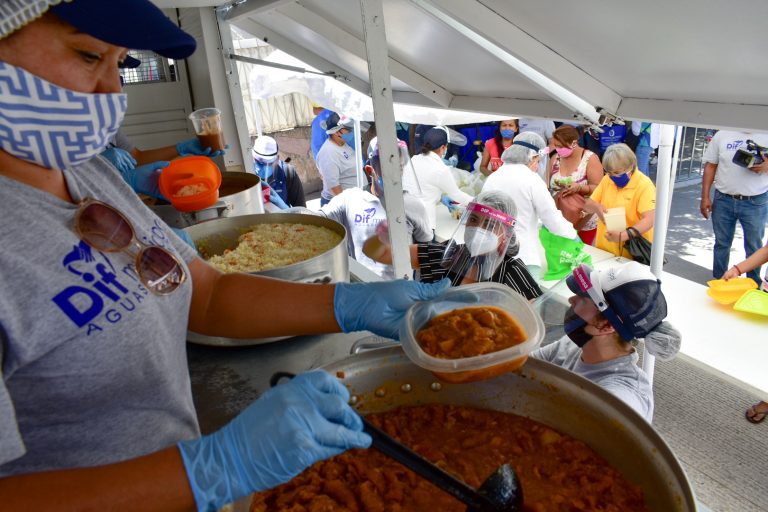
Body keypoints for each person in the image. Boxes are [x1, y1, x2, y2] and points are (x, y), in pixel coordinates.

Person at [0, 3, 450, 510]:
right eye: (88, 55)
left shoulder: (87, 174)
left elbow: (205, 293)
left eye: (120, 64)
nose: (112, 93)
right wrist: (213, 469)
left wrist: (348, 304)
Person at [532, 262, 681, 422]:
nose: (571, 299)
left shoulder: (625, 396)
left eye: (582, 299)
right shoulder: (570, 346)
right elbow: (521, 365)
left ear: (606, 325)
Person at [363, 189, 543, 300]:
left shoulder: (511, 272)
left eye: (489, 224)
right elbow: (379, 254)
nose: (478, 229)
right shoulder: (445, 255)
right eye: (473, 219)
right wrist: (382, 236)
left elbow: (535, 320)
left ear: (506, 235)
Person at [319, 139, 432, 278]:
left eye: (399, 167)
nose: (394, 174)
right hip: (362, 288)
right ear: (369, 170)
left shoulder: (413, 205)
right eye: (386, 167)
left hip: (400, 292)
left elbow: (425, 256)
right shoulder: (350, 200)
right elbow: (314, 221)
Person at [481, 132, 576, 268]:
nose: (537, 166)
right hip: (522, 257)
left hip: (491, 253)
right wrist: (572, 235)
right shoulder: (532, 180)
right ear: (532, 156)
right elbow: (552, 220)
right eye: (537, 161)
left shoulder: (493, 177)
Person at [700, 130, 768, 284]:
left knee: (754, 246)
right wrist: (704, 197)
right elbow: (711, 166)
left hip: (756, 201)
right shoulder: (723, 134)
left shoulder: (765, 132)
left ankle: (752, 284)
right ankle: (719, 281)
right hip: (724, 199)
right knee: (722, 243)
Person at [582, 143, 656, 259]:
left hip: (632, 254)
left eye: (617, 172)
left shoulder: (644, 185)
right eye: (608, 172)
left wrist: (625, 235)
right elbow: (587, 205)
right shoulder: (607, 180)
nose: (612, 176)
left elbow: (650, 219)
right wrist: (597, 207)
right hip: (605, 250)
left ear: (631, 166)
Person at [407, 127, 474, 233]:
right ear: (443, 147)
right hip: (425, 225)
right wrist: (479, 202)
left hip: (407, 220)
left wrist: (441, 197)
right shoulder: (440, 169)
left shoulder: (413, 159)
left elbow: (420, 186)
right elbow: (457, 195)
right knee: (426, 249)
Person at [548, 124, 604, 245]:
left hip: (582, 220)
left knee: (580, 256)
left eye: (560, 146)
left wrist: (579, 187)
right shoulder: (555, 159)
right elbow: (547, 186)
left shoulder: (590, 159)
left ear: (573, 143)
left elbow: (599, 190)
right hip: (560, 219)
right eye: (555, 145)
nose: (557, 149)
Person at [316, 111, 360, 206]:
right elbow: (334, 187)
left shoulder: (342, 144)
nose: (351, 131)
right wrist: (348, 207)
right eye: (348, 129)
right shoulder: (328, 153)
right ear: (336, 132)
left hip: (354, 199)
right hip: (340, 204)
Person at [252, 135, 306, 209]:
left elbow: (302, 210)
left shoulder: (288, 173)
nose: (263, 167)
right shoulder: (248, 175)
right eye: (258, 162)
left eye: (268, 163)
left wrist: (285, 209)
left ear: (277, 159)